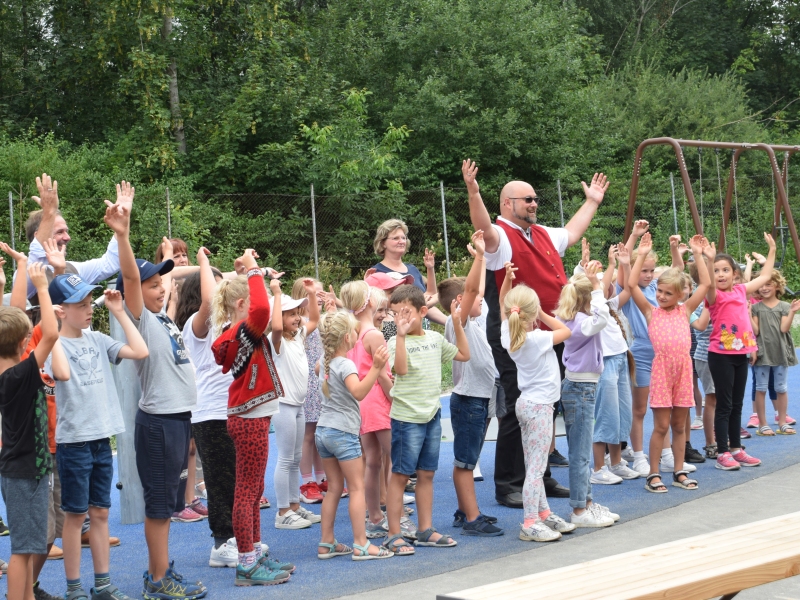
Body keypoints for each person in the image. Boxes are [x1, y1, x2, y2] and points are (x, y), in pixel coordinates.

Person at [462, 159, 609, 507]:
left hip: (551, 332)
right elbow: (484, 227)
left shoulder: (541, 233)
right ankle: (508, 483)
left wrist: (592, 202)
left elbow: (572, 232)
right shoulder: (503, 237)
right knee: (517, 406)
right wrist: (473, 191)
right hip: (520, 335)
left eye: (534, 198)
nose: (533, 203)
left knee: (546, 406)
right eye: (526, 199)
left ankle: (538, 476)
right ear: (507, 205)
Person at [107, 182, 206, 600]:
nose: (160, 287)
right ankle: (157, 579)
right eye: (152, 285)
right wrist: (123, 235)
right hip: (158, 423)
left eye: (162, 283)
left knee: (167, 506)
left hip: (177, 420)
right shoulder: (140, 318)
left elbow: (170, 276)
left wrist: (169, 264)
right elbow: (131, 275)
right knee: (160, 507)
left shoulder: (163, 318)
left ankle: (160, 571)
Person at [46, 271, 149, 600]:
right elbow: (60, 372)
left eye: (92, 303)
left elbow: (140, 350)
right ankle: (74, 588)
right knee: (75, 517)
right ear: (61, 311)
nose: (91, 309)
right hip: (74, 442)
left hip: (102, 440)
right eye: (82, 305)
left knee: (101, 513)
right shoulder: (53, 344)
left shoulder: (98, 340)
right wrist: (53, 323)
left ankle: (103, 585)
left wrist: (119, 312)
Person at [210, 250, 294, 586]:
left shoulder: (239, 331)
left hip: (252, 417)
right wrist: (255, 269)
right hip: (249, 419)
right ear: (242, 303)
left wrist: (251, 273)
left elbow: (262, 308)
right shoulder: (243, 329)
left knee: (253, 489)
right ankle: (246, 563)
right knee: (246, 492)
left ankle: (255, 554)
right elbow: (262, 308)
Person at [382, 285, 469, 555]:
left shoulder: (434, 339)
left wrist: (456, 322)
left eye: (405, 312)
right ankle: (394, 534)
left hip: (432, 415)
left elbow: (464, 355)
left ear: (422, 311)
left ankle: (425, 530)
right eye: (395, 314)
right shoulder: (395, 340)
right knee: (399, 475)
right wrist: (400, 335)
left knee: (427, 475)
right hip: (407, 418)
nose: (400, 319)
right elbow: (402, 369)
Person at [0, 260, 65, 600]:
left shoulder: (10, 373)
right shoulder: (21, 375)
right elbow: (51, 333)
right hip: (26, 471)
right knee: (22, 549)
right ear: (25, 341)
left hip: (26, 470)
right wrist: (41, 286)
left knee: (26, 547)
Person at [498, 263, 574, 542]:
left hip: (528, 405)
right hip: (540, 408)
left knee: (534, 463)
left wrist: (507, 281)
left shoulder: (510, 335)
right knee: (536, 469)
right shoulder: (538, 338)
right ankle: (529, 521)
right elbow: (565, 331)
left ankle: (543, 513)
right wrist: (542, 313)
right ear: (531, 314)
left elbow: (504, 307)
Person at [629, 233, 710, 492]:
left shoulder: (685, 310)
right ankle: (653, 473)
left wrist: (697, 254)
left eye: (667, 293)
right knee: (662, 425)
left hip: (683, 371)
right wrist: (641, 253)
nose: (661, 296)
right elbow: (632, 286)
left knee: (679, 425)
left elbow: (705, 285)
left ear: (679, 295)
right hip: (662, 372)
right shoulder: (650, 312)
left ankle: (678, 470)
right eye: (660, 291)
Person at [175, 251, 238, 568]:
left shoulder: (226, 324)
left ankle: (239, 539)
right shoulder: (195, 326)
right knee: (220, 480)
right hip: (211, 415)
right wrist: (202, 261)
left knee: (237, 480)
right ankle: (221, 543)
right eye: (212, 286)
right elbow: (209, 302)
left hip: (231, 412)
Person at [437, 231, 502, 537]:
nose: (481, 301)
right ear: (461, 302)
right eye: (473, 299)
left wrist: (485, 258)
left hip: (478, 399)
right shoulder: (456, 321)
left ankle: (466, 510)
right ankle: (471, 519)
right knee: (465, 461)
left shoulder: (472, 320)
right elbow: (475, 288)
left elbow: (479, 288)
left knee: (470, 456)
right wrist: (478, 256)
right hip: (469, 401)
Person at [315, 309, 393, 560]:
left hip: (323, 431)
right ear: (347, 338)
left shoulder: (324, 363)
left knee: (334, 488)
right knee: (357, 488)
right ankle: (361, 543)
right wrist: (376, 368)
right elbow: (358, 392)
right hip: (343, 432)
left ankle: (326, 542)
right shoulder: (345, 363)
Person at [555, 260, 620, 526]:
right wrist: (596, 287)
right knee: (581, 453)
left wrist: (590, 283)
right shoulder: (580, 323)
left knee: (581, 450)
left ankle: (587, 503)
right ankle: (579, 510)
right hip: (580, 388)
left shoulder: (573, 318)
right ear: (587, 299)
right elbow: (603, 318)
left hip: (583, 387)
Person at [617, 223, 685, 475]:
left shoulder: (658, 289)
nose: (648, 274)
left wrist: (674, 248)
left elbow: (678, 273)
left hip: (663, 356)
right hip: (639, 354)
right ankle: (638, 455)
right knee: (640, 408)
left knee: (663, 408)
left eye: (651, 270)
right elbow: (628, 279)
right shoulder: (628, 290)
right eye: (643, 270)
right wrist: (637, 247)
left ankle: (667, 454)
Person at [705, 233, 776, 470]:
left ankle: (736, 448)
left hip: (740, 355)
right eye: (716, 271)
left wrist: (772, 250)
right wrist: (708, 259)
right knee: (724, 405)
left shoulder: (740, 291)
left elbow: (766, 275)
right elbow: (708, 284)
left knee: (737, 404)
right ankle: (722, 452)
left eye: (725, 270)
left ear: (735, 273)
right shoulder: (713, 295)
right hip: (720, 356)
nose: (721, 274)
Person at [338, 281, 395, 538]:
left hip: (361, 403)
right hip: (379, 402)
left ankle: (375, 515)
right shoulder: (374, 335)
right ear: (371, 303)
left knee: (372, 461)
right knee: (397, 460)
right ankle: (397, 516)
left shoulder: (351, 333)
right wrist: (395, 399)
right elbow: (383, 375)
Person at [269, 276, 322, 530]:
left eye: (295, 313)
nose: (296, 317)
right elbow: (277, 328)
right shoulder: (274, 340)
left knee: (296, 456)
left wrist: (311, 295)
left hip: (298, 406)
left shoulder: (299, 335)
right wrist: (276, 293)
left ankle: (294, 506)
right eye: (289, 314)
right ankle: (282, 513)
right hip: (284, 406)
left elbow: (314, 320)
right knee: (285, 458)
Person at [587, 243, 639, 484]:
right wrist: (609, 266)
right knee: (606, 415)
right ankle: (598, 468)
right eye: (601, 285)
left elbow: (628, 289)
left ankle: (616, 462)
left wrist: (624, 264)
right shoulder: (589, 310)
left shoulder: (610, 306)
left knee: (621, 415)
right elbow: (596, 289)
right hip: (605, 364)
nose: (607, 286)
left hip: (619, 361)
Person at [22, 174, 121, 299]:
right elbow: (38, 254)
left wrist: (121, 228)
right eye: (59, 232)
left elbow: (111, 262)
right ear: (37, 235)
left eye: (66, 231)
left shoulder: (73, 268)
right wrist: (49, 213)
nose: (67, 237)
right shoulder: (26, 274)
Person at [370, 220, 447, 325]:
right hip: (396, 329)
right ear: (383, 243)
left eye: (403, 238)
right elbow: (376, 308)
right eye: (395, 238)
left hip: (421, 328)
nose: (401, 241)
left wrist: (430, 268)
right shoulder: (376, 272)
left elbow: (429, 296)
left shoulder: (412, 269)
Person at [749, 269, 798, 435]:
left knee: (781, 388)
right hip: (763, 353)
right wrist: (748, 313)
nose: (764, 288)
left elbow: (784, 328)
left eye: (768, 284)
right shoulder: (756, 308)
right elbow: (755, 331)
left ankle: (782, 421)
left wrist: (792, 312)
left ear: (777, 286)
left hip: (780, 353)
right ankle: (763, 423)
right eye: (761, 285)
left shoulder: (784, 306)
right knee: (761, 388)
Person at [295, 278, 328, 504]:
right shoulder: (299, 323)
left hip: (319, 381)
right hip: (305, 381)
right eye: (316, 294)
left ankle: (321, 477)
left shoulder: (322, 320)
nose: (322, 296)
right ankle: (307, 482)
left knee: (318, 433)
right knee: (307, 434)